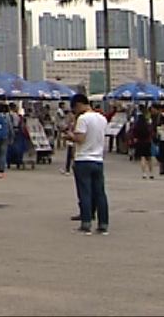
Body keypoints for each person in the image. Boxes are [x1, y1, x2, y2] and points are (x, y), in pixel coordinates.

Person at [66, 93, 109, 236]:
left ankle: (86, 223)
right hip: (98, 159)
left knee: (85, 192)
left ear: (78, 105)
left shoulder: (83, 119)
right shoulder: (102, 118)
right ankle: (103, 223)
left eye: (74, 109)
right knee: (100, 193)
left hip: (83, 159)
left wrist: (69, 135)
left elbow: (80, 138)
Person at [132, 105, 155, 179]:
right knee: (149, 158)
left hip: (140, 141)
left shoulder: (137, 123)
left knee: (142, 158)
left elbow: (134, 131)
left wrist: (135, 138)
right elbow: (151, 131)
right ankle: (151, 173)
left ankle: (144, 173)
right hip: (147, 141)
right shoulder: (148, 123)